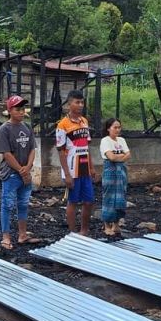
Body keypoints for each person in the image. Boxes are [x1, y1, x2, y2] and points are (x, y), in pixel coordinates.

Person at [0, 95, 39, 250]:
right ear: (9, 110)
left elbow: (32, 149)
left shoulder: (27, 127)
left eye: (22, 109)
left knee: (23, 204)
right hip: (11, 174)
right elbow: (6, 154)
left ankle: (22, 234)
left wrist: (28, 167)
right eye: (17, 109)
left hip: (25, 173)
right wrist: (22, 170)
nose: (21, 112)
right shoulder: (4, 129)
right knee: (7, 205)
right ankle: (6, 237)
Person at [56, 90, 95, 236]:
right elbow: (61, 151)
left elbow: (87, 146)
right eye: (77, 102)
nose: (80, 105)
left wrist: (92, 167)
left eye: (82, 102)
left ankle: (84, 230)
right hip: (72, 170)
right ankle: (72, 233)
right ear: (69, 104)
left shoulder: (84, 121)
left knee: (89, 201)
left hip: (85, 168)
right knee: (73, 201)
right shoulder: (62, 125)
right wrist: (67, 174)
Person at [99, 118, 131, 236]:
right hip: (110, 170)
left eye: (119, 127)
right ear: (109, 128)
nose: (117, 130)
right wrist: (122, 156)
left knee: (120, 196)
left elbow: (128, 154)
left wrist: (119, 157)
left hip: (121, 170)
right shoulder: (105, 141)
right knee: (109, 196)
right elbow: (111, 157)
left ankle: (116, 224)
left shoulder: (122, 140)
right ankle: (107, 225)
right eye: (115, 127)